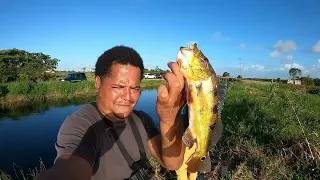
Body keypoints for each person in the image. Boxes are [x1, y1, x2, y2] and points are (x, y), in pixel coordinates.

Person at [35, 45, 187, 180]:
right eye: (118, 87)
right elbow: (69, 169)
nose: (128, 97)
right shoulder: (81, 125)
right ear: (98, 83)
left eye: (135, 88)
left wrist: (169, 119)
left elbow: (172, 163)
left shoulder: (142, 119)